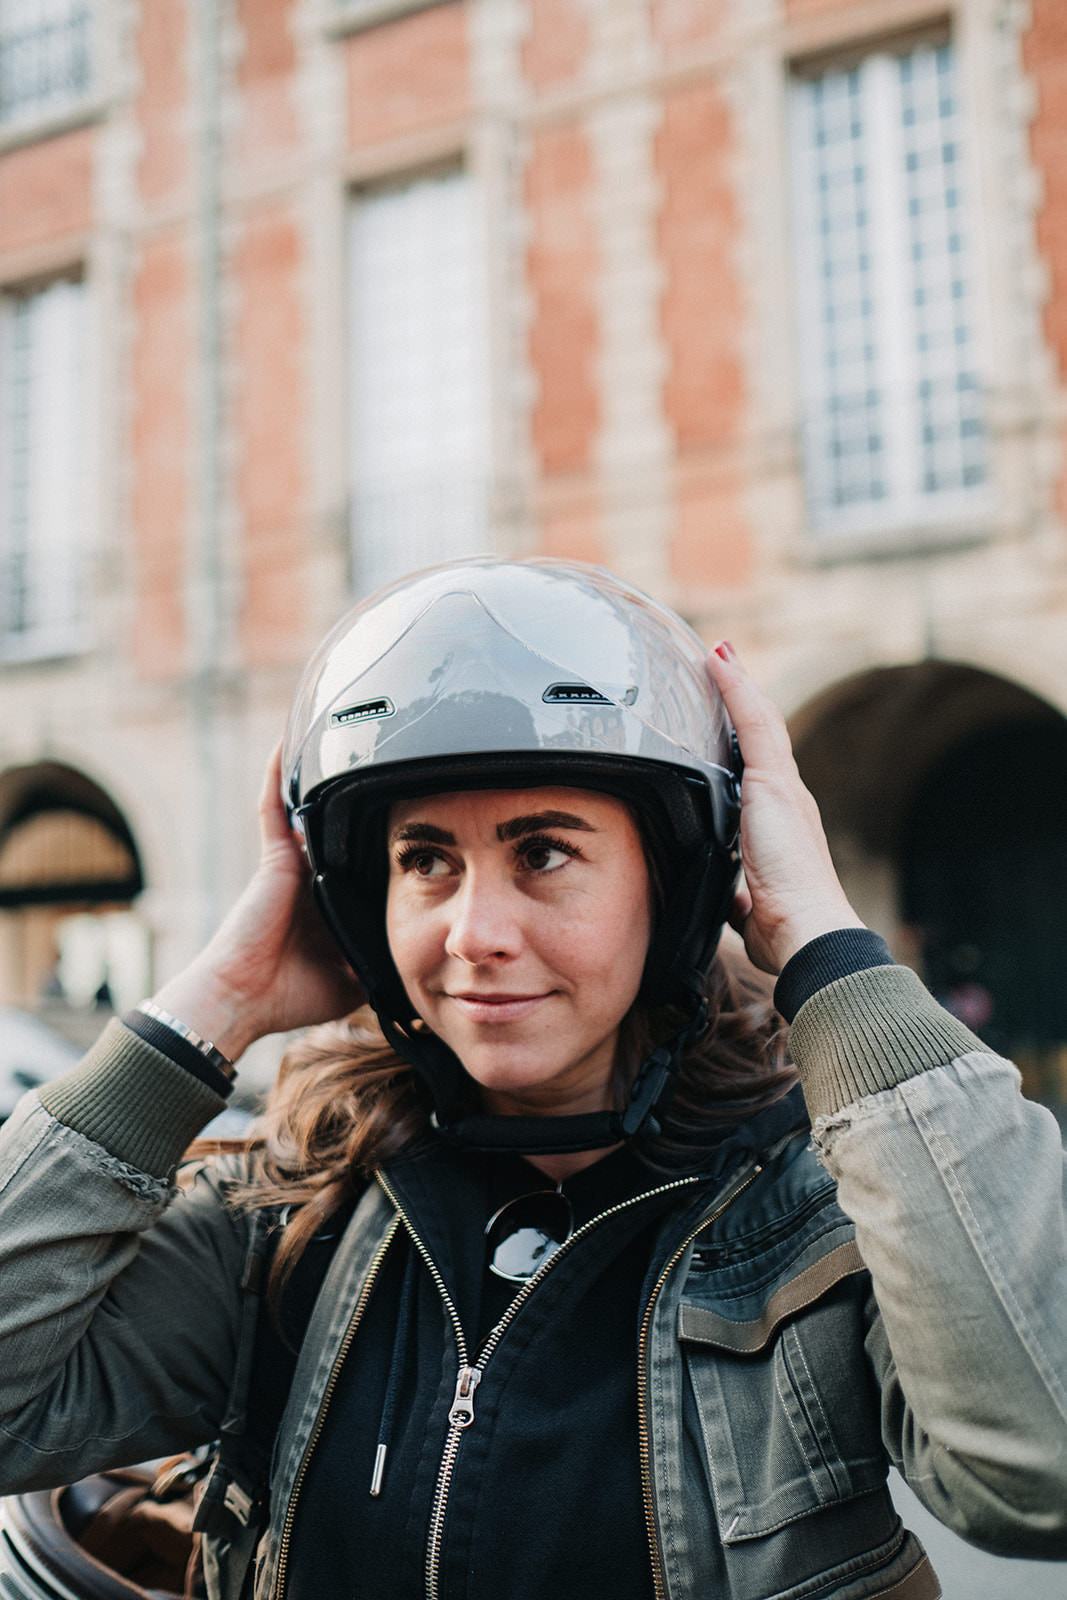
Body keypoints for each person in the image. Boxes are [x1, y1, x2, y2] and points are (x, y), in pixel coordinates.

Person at [0, 557, 1063, 1600]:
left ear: (679, 883)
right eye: (424, 861)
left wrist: (825, 949)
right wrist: (209, 1005)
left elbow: (1037, 1471)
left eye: (543, 852)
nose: (474, 932)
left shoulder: (824, 1219)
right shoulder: (289, 1218)